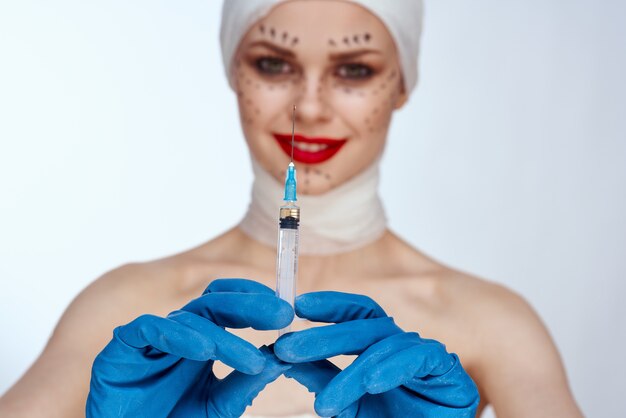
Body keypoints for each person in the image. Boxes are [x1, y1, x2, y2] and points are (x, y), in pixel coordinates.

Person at [0, 1, 583, 417]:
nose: (310, 105)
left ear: (404, 82)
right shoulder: (130, 314)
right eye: (273, 64)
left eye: (354, 70)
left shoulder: (494, 323)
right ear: (233, 70)